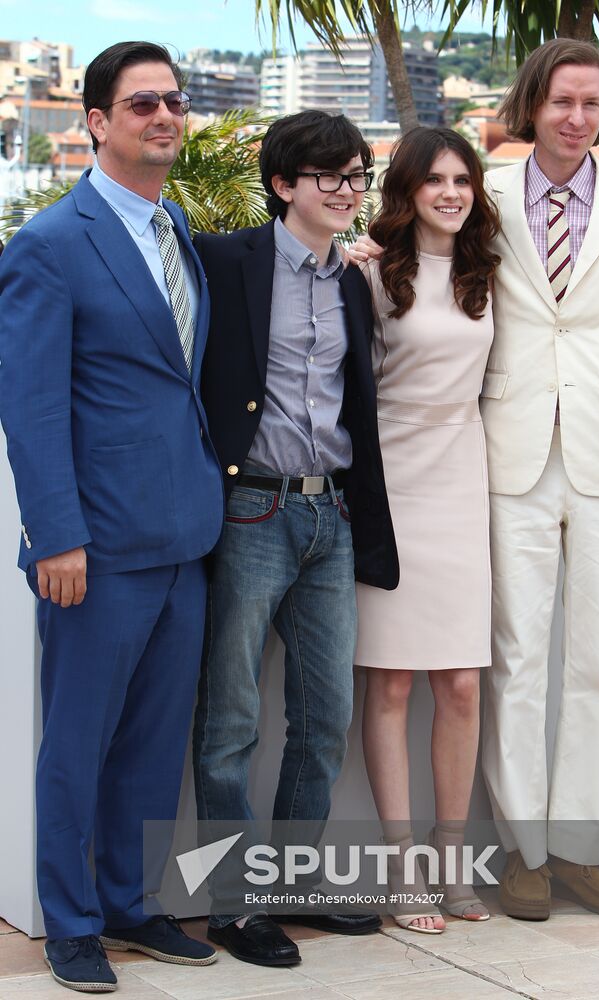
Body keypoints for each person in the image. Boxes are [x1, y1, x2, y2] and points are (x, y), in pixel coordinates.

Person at [352, 38, 599, 923]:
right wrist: (351, 254)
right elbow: (408, 256)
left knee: (595, 666)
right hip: (501, 457)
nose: (577, 119)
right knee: (513, 662)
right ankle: (525, 852)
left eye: (592, 105)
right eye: (562, 102)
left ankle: (583, 849)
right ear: (531, 104)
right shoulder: (482, 190)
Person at [0, 42, 224, 993]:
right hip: (96, 546)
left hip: (187, 537)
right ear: (95, 121)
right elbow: (33, 404)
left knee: (151, 742)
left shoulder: (176, 229)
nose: (165, 117)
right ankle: (73, 922)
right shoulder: (50, 244)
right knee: (78, 744)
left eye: (174, 101)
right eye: (142, 105)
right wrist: (57, 536)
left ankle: (132, 904)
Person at [192, 110, 399, 968]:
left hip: (332, 516)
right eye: (331, 178)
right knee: (232, 718)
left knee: (323, 720)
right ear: (284, 185)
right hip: (251, 512)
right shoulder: (225, 260)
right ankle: (234, 908)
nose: (350, 191)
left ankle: (295, 886)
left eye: (358, 176)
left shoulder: (352, 278)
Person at [353, 126, 499, 934]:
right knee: (391, 682)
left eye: (462, 180)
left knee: (461, 684)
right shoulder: (370, 274)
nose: (450, 192)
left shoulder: (489, 274)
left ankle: (452, 865)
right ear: (405, 191)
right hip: (391, 485)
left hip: (461, 484)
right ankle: (402, 870)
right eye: (433, 180)